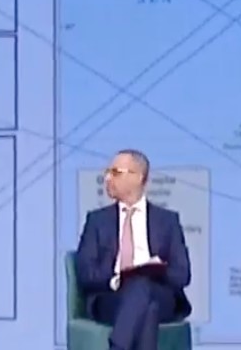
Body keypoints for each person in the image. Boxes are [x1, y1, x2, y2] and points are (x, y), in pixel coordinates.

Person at [74, 149, 192, 350]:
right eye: (107, 172)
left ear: (138, 177)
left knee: (143, 288)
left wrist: (155, 271)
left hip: (160, 295)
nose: (107, 178)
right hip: (111, 297)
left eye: (115, 173)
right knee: (148, 308)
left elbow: (182, 275)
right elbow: (85, 272)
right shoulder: (97, 221)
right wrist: (117, 278)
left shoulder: (167, 221)